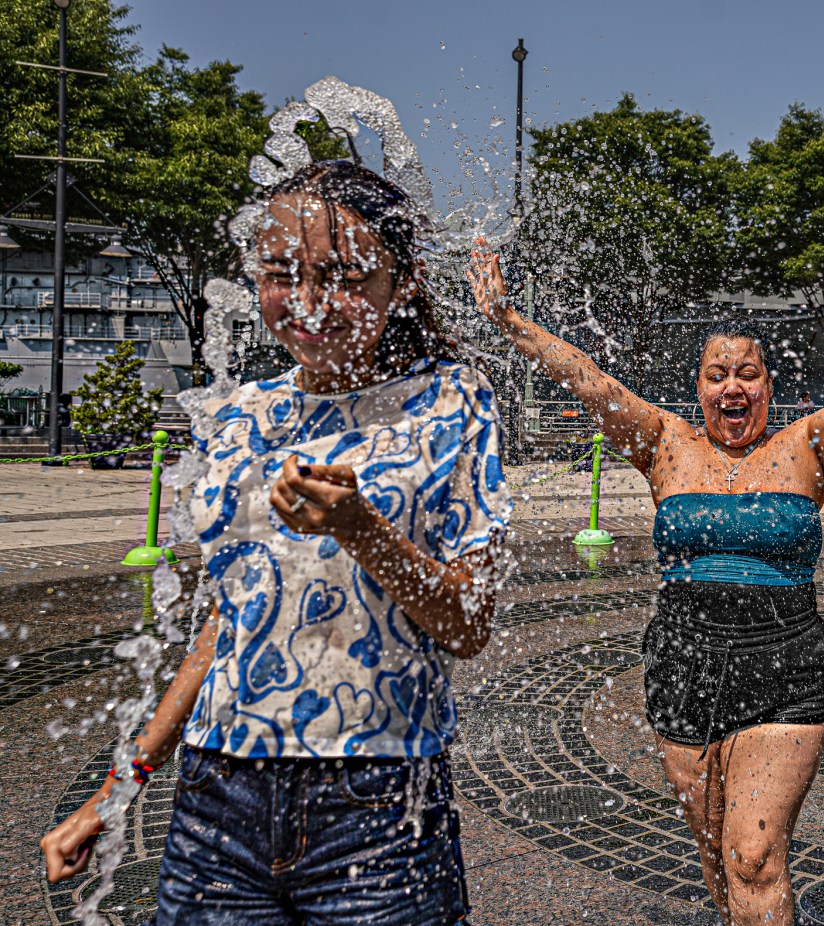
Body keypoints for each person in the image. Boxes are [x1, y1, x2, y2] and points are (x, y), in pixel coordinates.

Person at [41, 159, 511, 925]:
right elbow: (228, 622)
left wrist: (362, 530)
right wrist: (119, 788)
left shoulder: (451, 402)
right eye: (281, 273)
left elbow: (468, 623)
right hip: (215, 803)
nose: (309, 302)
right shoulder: (238, 415)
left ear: (404, 281)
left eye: (345, 276)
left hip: (379, 808)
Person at [469, 240, 824, 925]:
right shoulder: (665, 444)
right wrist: (507, 318)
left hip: (785, 664)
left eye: (747, 374)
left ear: (769, 385)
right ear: (699, 387)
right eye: (717, 375)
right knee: (719, 860)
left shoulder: (808, 446)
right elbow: (590, 381)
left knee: (754, 857)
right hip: (683, 665)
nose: (733, 387)